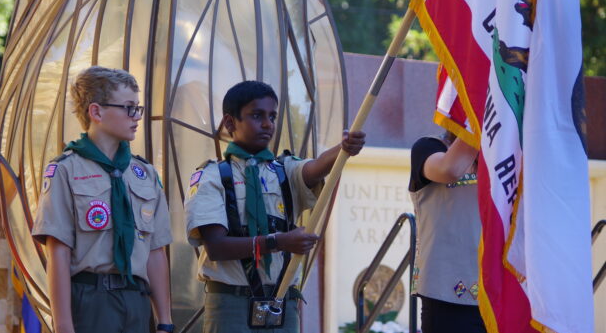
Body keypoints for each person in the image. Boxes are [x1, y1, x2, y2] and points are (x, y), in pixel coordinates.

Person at [184, 80, 366, 333]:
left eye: (272, 116)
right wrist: (277, 242)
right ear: (229, 122)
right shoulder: (212, 176)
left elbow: (316, 167)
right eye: (256, 116)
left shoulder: (284, 170)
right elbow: (216, 247)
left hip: (282, 303)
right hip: (231, 304)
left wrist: (344, 148)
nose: (268, 124)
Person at [32, 66, 174, 333]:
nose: (136, 117)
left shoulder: (145, 174)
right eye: (128, 108)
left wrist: (164, 320)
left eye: (138, 108)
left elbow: (155, 250)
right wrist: (63, 325)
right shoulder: (66, 170)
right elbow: (58, 252)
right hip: (90, 300)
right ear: (96, 112)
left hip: (137, 301)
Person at [408, 131, 486, 333]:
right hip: (449, 300)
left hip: (503, 296)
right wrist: (479, 122)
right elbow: (449, 169)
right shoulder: (429, 147)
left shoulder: (506, 154)